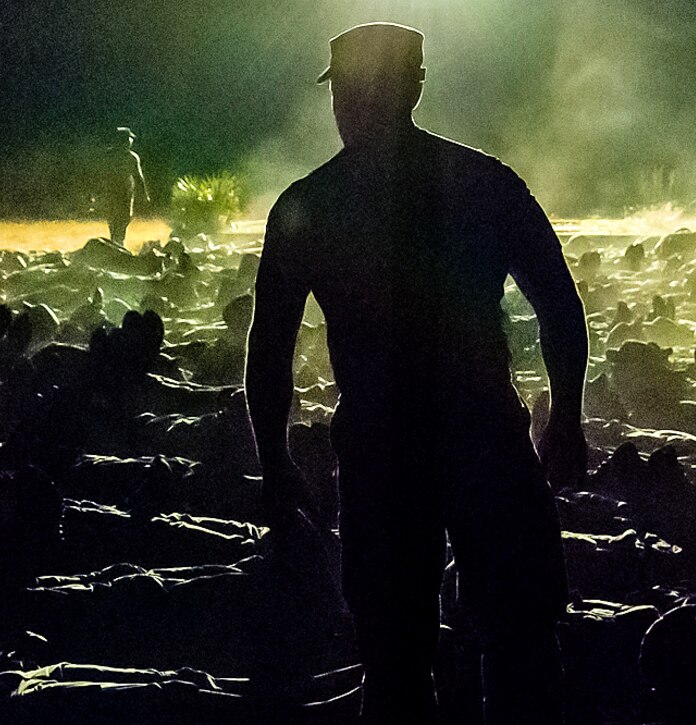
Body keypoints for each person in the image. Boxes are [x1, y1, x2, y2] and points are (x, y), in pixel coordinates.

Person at [244, 22, 588, 725]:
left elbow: (270, 348)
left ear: (397, 90)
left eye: (350, 89)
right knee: (518, 643)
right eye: (342, 91)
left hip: (383, 455)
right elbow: (558, 304)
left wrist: (276, 462)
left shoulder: (312, 206)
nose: (345, 106)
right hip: (483, 440)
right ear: (418, 84)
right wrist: (567, 416)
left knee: (397, 660)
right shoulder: (485, 185)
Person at [98, 127, 150, 247]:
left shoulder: (110, 156)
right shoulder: (130, 157)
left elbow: (138, 177)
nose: (131, 141)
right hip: (119, 192)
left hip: (118, 193)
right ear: (122, 141)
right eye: (129, 138)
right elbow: (138, 177)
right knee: (120, 218)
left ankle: (116, 242)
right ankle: (117, 243)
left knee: (118, 219)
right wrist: (144, 195)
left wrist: (143, 194)